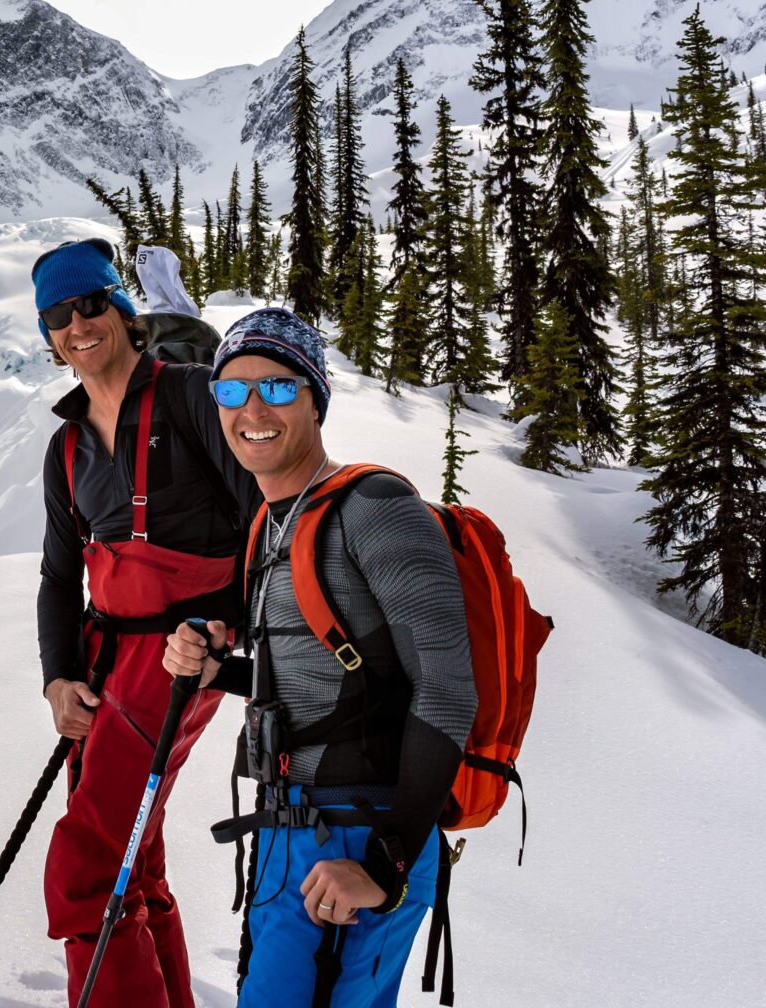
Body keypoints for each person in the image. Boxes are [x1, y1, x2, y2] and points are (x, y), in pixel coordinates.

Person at [162, 307, 476, 1008]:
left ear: (315, 398)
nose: (252, 408)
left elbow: (449, 688)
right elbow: (329, 684)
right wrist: (221, 670)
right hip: (288, 833)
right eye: (231, 389)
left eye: (277, 387)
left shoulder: (378, 507)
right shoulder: (274, 523)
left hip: (363, 838)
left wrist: (386, 863)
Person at [33, 237, 264, 1008]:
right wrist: (58, 678)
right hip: (105, 663)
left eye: (91, 303)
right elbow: (60, 578)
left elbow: (267, 523)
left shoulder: (193, 395)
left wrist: (225, 630)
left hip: (178, 660)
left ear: (124, 312)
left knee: (91, 863)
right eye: (58, 315)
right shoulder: (66, 448)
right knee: (137, 852)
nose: (77, 324)